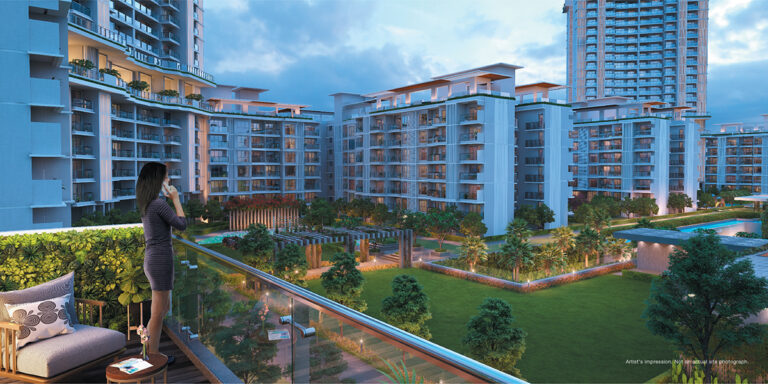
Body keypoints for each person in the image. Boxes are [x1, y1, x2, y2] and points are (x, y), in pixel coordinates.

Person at [136, 162, 186, 364]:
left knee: (162, 309)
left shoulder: (149, 203)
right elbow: (182, 224)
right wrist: (176, 199)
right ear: (158, 180)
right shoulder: (158, 204)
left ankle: (150, 352)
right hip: (159, 261)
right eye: (166, 177)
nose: (169, 181)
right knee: (158, 312)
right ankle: (150, 355)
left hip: (155, 259)